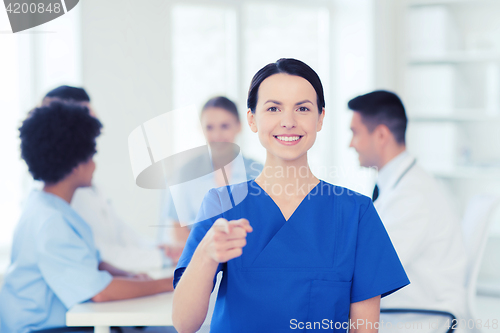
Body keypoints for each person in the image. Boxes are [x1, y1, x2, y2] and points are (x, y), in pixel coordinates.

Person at [172, 59, 410, 333]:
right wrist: (206, 254)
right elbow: (184, 323)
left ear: (320, 118)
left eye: (303, 109)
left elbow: (364, 329)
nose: (288, 122)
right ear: (252, 119)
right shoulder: (221, 205)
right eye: (273, 108)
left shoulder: (356, 213)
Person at [0, 102, 174, 333]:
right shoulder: (51, 221)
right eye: (91, 156)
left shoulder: (47, 206)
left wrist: (130, 276)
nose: (94, 164)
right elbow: (99, 292)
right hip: (42, 329)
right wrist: (169, 283)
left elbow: (91, 262)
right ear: (74, 166)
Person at [348, 90, 467, 320]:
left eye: (355, 133)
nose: (350, 144)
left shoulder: (413, 195)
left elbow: (374, 268)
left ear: (381, 135)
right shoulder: (401, 184)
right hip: (406, 306)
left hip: (420, 315)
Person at [43, 85, 182, 270]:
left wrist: (158, 249)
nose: (94, 122)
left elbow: (120, 232)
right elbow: (97, 252)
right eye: (86, 114)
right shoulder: (63, 190)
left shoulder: (88, 181)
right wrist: (161, 259)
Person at [160, 96, 263, 246]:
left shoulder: (258, 172)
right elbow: (177, 230)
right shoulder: (185, 173)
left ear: (239, 126)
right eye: (209, 127)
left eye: (224, 126)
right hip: (198, 260)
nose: (217, 136)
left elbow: (264, 226)